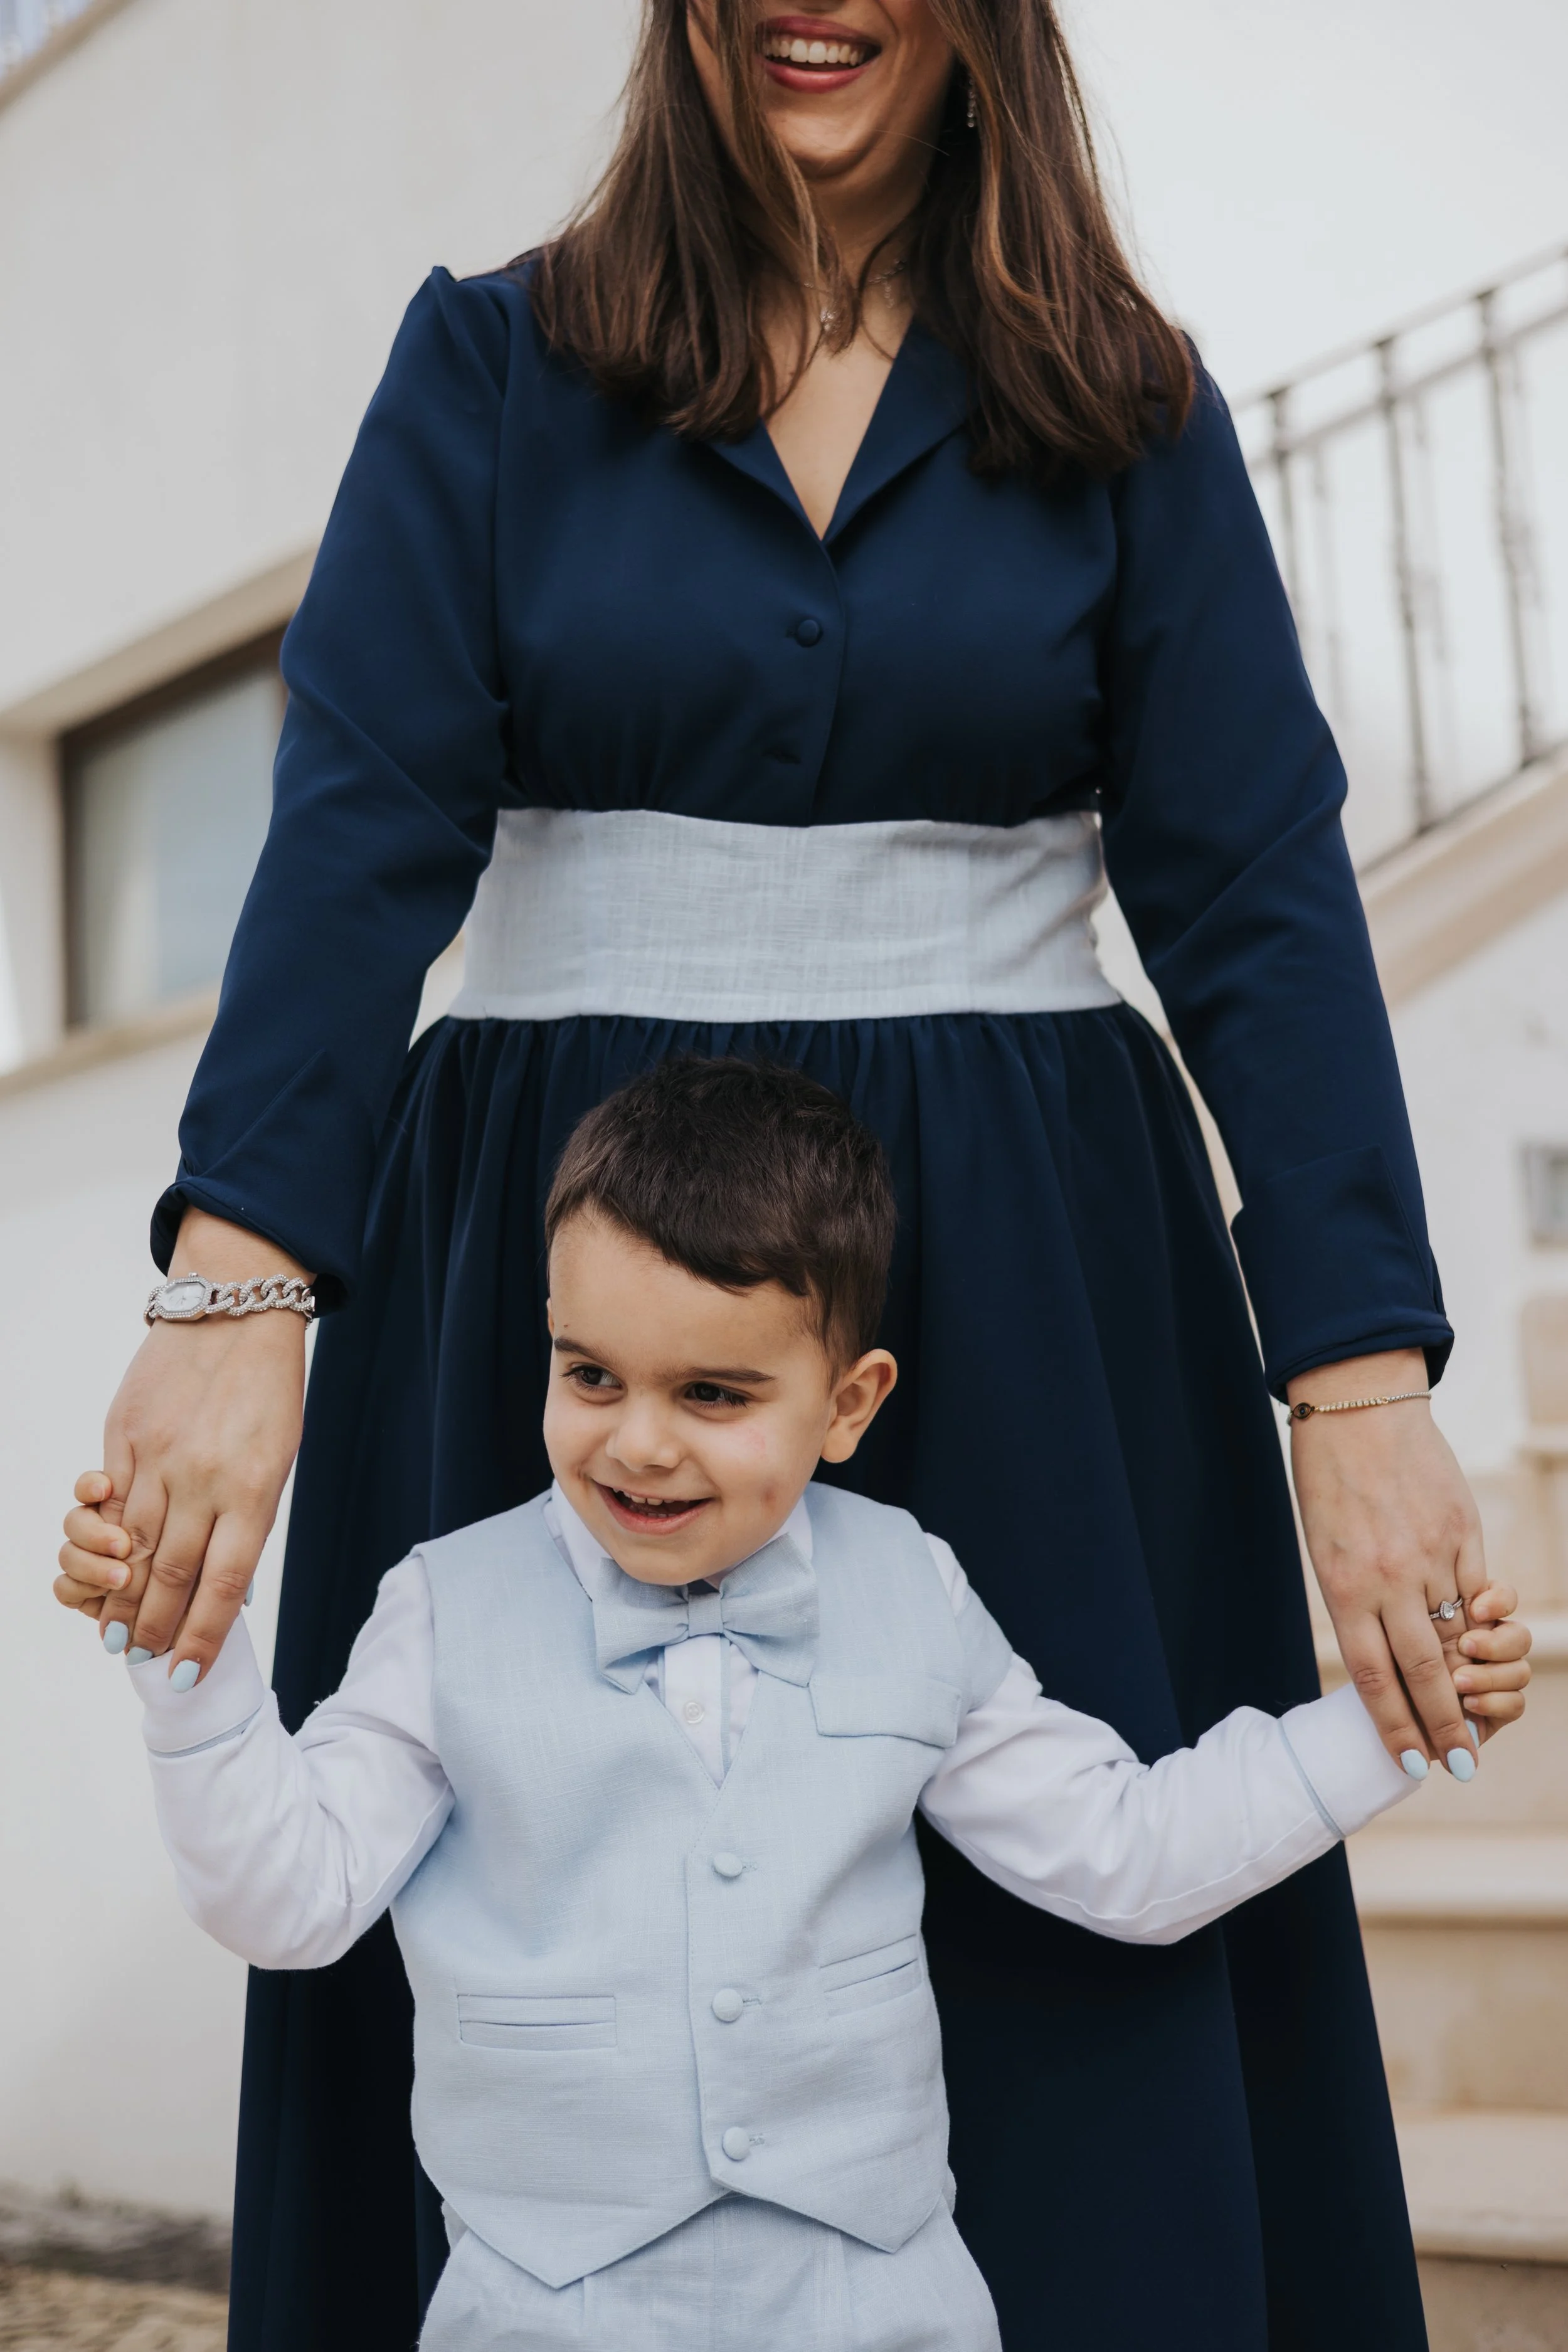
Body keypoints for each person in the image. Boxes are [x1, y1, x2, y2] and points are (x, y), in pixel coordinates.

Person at [58, 3, 1500, 2344]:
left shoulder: (1127, 401)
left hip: (1037, 1287)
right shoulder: (487, 367)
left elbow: (1256, 888)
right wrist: (235, 1300)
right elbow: (356, 826)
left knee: (1070, 1991)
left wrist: (1359, 1382)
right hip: (549, 1240)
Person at [58, 1063, 1533, 2352]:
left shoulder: (911, 1589)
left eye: (712, 1395)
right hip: (546, 2314)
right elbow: (289, 1901)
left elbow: (1126, 1854)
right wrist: (186, 1656)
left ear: (847, 1404)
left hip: (878, 2310)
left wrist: (1385, 1725)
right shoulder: (446, 1607)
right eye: (590, 1376)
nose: (637, 1444)